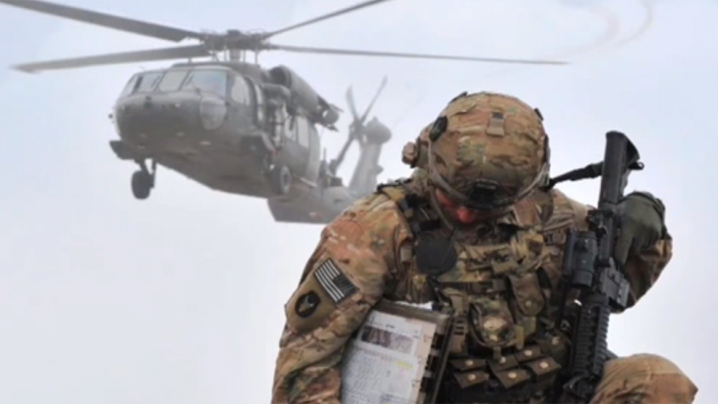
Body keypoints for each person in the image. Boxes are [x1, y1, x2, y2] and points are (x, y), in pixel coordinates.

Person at [270, 91, 698, 404]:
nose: (463, 216)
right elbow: (306, 365)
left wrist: (646, 224)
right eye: (451, 199)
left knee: (657, 382)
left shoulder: (553, 216)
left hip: (548, 391)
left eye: (483, 209)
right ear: (427, 163)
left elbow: (621, 285)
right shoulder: (372, 232)